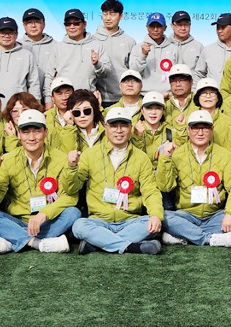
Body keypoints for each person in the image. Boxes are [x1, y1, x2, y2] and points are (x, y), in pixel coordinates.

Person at [65, 107, 164, 255]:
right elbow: (71, 188)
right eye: (113, 126)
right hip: (99, 221)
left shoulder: (141, 158)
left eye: (124, 125)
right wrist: (71, 167)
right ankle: (131, 247)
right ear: (105, 128)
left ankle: (97, 243)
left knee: (151, 223)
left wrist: (155, 215)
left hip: (130, 220)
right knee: (79, 225)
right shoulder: (90, 155)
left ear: (130, 128)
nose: (119, 130)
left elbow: (150, 191)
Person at [0, 109, 81, 254]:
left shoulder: (61, 158)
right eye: (25, 132)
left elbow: (69, 197)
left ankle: (14, 239)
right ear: (18, 135)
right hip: (18, 221)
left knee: (73, 213)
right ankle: (36, 243)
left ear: (46, 132)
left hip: (48, 221)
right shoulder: (8, 160)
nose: (31, 137)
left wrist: (43, 214)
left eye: (37, 131)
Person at [156, 110, 231, 247]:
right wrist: (165, 158)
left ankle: (184, 235)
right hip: (186, 215)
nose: (200, 133)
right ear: (188, 130)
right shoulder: (177, 154)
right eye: (195, 128)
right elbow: (165, 186)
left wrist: (230, 213)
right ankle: (209, 238)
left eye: (205, 128)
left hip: (215, 215)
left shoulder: (224, 155)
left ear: (212, 130)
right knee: (163, 216)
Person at [47, 8, 112, 107]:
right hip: (65, 101)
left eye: (76, 23)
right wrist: (48, 100)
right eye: (68, 24)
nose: (72, 26)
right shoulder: (57, 47)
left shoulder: (97, 45)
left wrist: (97, 64)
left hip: (88, 99)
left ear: (84, 24)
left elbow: (107, 73)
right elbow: (49, 76)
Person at [92, 0, 137, 107]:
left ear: (121, 16)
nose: (108, 18)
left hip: (123, 98)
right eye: (105, 14)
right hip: (98, 98)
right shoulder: (92, 40)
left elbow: (133, 70)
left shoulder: (129, 41)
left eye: (112, 14)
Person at [19, 8, 58, 106]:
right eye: (29, 22)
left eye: (37, 22)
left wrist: (49, 98)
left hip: (50, 100)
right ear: (24, 25)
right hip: (23, 101)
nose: (33, 25)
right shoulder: (17, 46)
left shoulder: (55, 45)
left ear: (43, 24)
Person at [130, 12, 176, 93]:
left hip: (168, 94)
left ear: (165, 27)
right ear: (147, 27)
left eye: (159, 26)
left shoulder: (174, 48)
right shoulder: (137, 48)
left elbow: (179, 74)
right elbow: (133, 73)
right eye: (152, 26)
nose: (155, 30)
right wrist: (143, 55)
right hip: (144, 94)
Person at [132, 91, 174, 168]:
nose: (153, 112)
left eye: (158, 108)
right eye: (149, 108)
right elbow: (134, 159)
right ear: (142, 110)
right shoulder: (133, 130)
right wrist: (137, 137)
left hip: (163, 172)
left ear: (163, 111)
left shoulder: (171, 131)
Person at [196, 13, 231, 84]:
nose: (219, 31)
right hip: (213, 91)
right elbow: (198, 75)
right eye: (218, 28)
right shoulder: (208, 50)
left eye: (223, 27)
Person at [164, 64, 197, 140]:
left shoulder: (199, 101)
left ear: (191, 82)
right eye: (174, 80)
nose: (178, 84)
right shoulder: (163, 104)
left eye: (182, 80)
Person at [45, 77, 77, 154]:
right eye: (59, 94)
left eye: (67, 93)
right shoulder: (46, 117)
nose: (64, 98)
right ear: (52, 98)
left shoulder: (82, 114)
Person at [168, 11, 204, 76]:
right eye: (179, 25)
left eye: (186, 24)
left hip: (192, 82)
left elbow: (202, 72)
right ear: (172, 26)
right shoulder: (165, 44)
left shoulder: (198, 46)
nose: (183, 28)